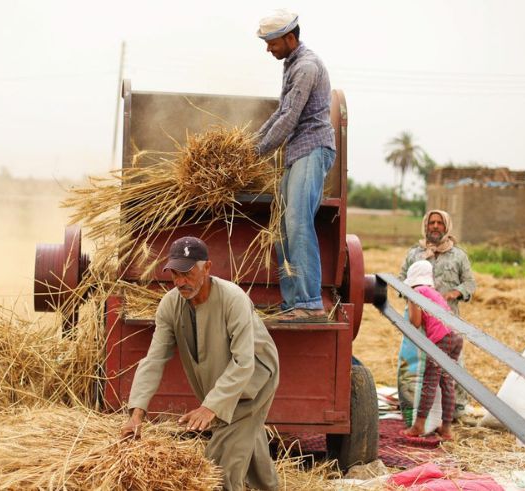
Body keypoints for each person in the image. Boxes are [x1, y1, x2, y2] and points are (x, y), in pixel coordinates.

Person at [120, 236, 280, 491]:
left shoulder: (233, 298)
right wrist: (136, 414)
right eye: (175, 273)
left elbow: (243, 362)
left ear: (207, 268)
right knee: (249, 443)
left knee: (218, 467)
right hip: (223, 381)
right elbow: (154, 359)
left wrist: (210, 407)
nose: (180, 281)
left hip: (255, 379)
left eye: (187, 273)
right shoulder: (170, 304)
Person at [254, 9, 336, 322]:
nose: (268, 48)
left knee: (299, 222)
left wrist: (258, 150)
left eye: (271, 42)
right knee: (281, 229)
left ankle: (310, 303)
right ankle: (292, 304)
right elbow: (280, 113)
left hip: (312, 149)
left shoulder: (306, 66)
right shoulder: (292, 65)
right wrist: (249, 147)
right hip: (296, 154)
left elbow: (289, 118)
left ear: (290, 38)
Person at [398, 209, 476, 415]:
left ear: (446, 227)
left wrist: (454, 293)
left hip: (446, 321)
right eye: (431, 223)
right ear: (425, 226)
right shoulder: (414, 253)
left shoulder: (458, 255)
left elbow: (469, 283)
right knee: (415, 363)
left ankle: (456, 409)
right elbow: (400, 280)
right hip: (417, 320)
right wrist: (411, 296)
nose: (434, 226)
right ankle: (412, 405)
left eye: (439, 223)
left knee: (452, 364)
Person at [401, 260, 464, 440]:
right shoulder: (433, 292)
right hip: (455, 336)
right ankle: (446, 429)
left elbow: (416, 321)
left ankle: (418, 426)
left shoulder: (416, 293)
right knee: (447, 382)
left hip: (441, 339)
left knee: (430, 381)